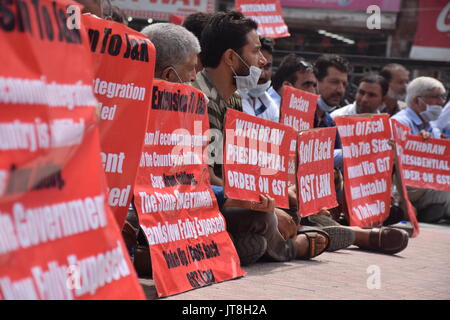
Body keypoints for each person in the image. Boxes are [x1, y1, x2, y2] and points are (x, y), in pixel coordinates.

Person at [193, 11, 330, 264]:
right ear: (231, 58)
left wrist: (278, 193)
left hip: (229, 196)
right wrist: (266, 206)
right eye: (256, 52)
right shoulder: (200, 97)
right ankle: (289, 248)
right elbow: (206, 177)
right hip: (202, 201)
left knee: (286, 205)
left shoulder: (233, 98)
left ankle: (250, 245)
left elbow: (239, 167)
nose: (263, 61)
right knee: (263, 217)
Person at [392, 77, 450, 222]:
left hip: (426, 185)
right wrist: (412, 145)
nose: (442, 102)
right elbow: (392, 161)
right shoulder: (399, 123)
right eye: (436, 97)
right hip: (402, 189)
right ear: (417, 101)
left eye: (443, 97)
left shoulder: (432, 128)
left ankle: (431, 211)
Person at [239, 36, 280, 122]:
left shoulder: (270, 105)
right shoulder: (230, 99)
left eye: (267, 66)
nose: (262, 74)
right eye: (258, 66)